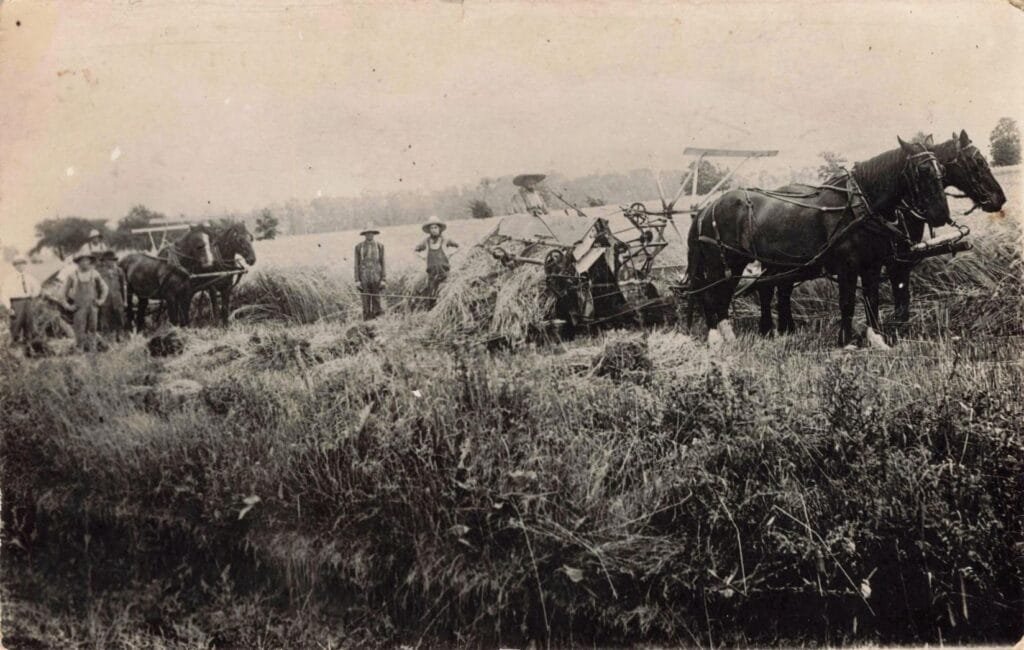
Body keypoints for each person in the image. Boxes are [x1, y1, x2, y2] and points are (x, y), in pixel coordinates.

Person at [64, 252, 109, 352]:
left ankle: (92, 350)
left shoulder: (95, 274)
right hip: (79, 307)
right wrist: (68, 306)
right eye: (82, 260)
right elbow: (62, 293)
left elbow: (105, 288)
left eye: (87, 260)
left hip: (92, 307)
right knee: (79, 330)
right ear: (78, 262)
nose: (85, 263)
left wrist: (101, 300)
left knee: (93, 329)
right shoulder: (72, 275)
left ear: (90, 262)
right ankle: (79, 351)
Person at [414, 215, 459, 300]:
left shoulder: (446, 240)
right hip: (431, 275)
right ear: (429, 230)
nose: (434, 230)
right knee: (432, 296)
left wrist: (450, 254)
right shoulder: (426, 241)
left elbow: (458, 246)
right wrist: (423, 257)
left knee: (444, 296)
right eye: (431, 228)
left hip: (445, 274)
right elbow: (415, 250)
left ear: (439, 229)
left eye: (435, 227)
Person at [2, 255, 42, 347]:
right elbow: (4, 293)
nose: (21, 266)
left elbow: (37, 286)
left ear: (25, 265)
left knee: (29, 323)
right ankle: (14, 346)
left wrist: (33, 295)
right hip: (16, 303)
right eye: (18, 264)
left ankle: (29, 346)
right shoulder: (9, 278)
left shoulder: (29, 277)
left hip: (27, 302)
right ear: (14, 266)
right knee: (16, 324)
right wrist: (9, 307)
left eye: (23, 264)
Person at [354, 225, 386, 320]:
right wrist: (357, 280)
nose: (369, 235)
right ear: (364, 234)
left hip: (376, 277)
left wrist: (383, 279)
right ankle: (367, 324)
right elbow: (356, 264)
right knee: (365, 301)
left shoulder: (380, 246)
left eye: (371, 232)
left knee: (376, 300)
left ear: (374, 234)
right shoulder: (359, 247)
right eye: (367, 233)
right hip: (364, 278)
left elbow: (383, 263)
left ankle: (378, 323)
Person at [96, 250, 127, 341]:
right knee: (105, 318)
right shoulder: (99, 272)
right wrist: (98, 299)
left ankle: (120, 335)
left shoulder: (119, 271)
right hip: (105, 298)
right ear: (104, 261)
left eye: (112, 260)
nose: (110, 262)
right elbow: (97, 287)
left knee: (120, 317)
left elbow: (124, 286)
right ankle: (106, 338)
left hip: (117, 297)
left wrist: (125, 300)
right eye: (107, 260)